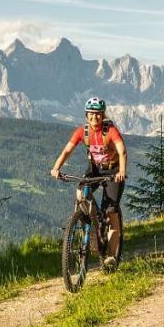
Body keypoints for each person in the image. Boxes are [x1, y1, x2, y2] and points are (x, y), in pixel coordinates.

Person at [50, 97, 127, 270]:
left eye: (98, 114)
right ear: (86, 116)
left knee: (111, 212)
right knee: (80, 194)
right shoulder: (82, 132)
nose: (95, 118)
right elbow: (67, 150)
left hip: (113, 171)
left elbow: (122, 151)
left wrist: (121, 171)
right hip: (95, 169)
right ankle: (91, 223)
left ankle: (112, 258)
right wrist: (56, 168)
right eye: (91, 114)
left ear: (103, 115)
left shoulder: (110, 130)